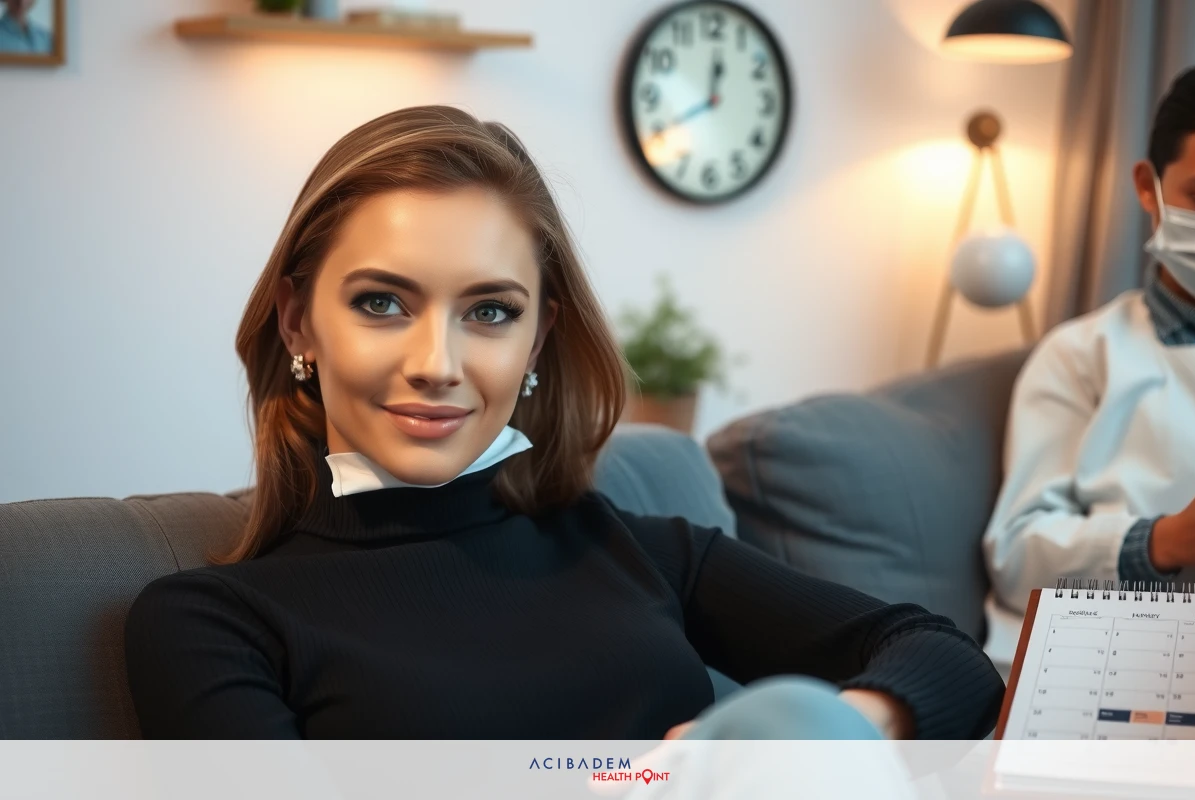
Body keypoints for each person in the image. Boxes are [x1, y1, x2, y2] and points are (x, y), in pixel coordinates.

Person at [123, 105, 1003, 740]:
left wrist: (835, 739)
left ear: (540, 336)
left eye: (491, 312)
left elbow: (942, 655)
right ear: (297, 321)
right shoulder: (210, 623)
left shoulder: (634, 547)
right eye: (383, 301)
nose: (438, 362)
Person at [984, 64, 1195, 625]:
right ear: (1146, 188)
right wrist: (1168, 541)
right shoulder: (1082, 355)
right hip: (1118, 658)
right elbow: (1015, 553)